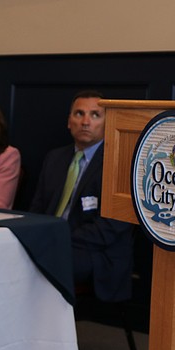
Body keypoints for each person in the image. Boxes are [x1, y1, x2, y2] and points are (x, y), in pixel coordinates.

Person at [29, 90, 133, 303]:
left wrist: (58, 238)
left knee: (46, 264)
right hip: (52, 241)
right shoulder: (55, 158)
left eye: (95, 115)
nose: (86, 122)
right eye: (79, 114)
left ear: (108, 122)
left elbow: (112, 227)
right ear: (69, 121)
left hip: (96, 253)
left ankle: (49, 332)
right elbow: (37, 209)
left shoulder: (120, 164)